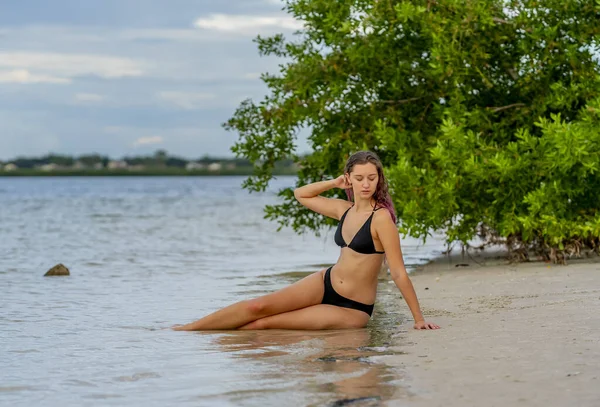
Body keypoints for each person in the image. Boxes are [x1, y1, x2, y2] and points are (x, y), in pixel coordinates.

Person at [173, 151, 440, 331]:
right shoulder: (343, 209)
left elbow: (399, 273)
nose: (366, 184)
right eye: (358, 178)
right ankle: (186, 330)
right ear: (349, 178)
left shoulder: (382, 218)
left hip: (352, 308)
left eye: (372, 178)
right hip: (326, 282)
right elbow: (301, 194)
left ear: (379, 178)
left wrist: (418, 319)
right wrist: (334, 183)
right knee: (257, 307)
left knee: (263, 325)